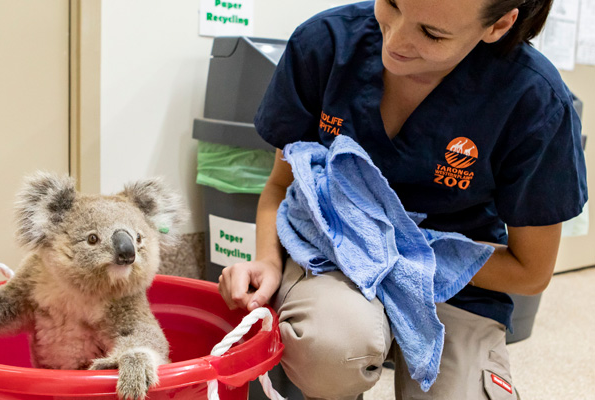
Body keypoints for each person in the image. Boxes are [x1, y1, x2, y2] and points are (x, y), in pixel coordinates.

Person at [218, 0, 588, 399]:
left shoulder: (534, 99)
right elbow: (278, 187)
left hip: (453, 285)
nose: (394, 40)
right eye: (391, 3)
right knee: (329, 350)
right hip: (333, 259)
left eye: (432, 33)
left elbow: (530, 271)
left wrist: (398, 256)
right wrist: (268, 262)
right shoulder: (326, 43)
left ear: (497, 25)